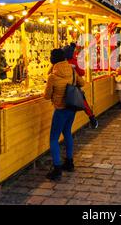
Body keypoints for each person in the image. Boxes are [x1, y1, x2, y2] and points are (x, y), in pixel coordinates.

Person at [44, 48, 84, 181]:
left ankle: (57, 168)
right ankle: (70, 162)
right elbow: (82, 83)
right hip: (71, 107)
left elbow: (46, 96)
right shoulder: (72, 71)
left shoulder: (52, 76)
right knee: (67, 133)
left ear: (53, 59)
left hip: (60, 109)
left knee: (53, 138)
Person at [63, 43, 98, 129]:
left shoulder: (62, 62)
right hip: (74, 86)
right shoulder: (74, 61)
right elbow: (82, 72)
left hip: (64, 86)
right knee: (83, 102)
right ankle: (92, 118)